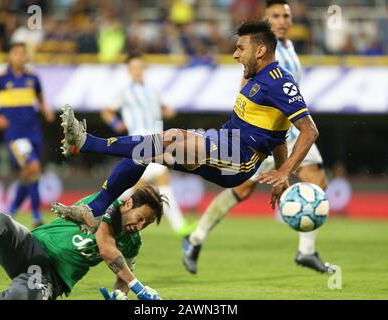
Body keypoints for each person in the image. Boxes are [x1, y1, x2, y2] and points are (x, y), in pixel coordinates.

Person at [55, 20, 319, 240]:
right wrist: (282, 174)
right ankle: (94, 209)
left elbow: (309, 130)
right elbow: (278, 136)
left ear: (260, 51)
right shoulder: (254, 79)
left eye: (240, 48)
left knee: (169, 138)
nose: (236, 54)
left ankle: (87, 142)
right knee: (144, 151)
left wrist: (285, 171)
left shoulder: (279, 81)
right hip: (222, 142)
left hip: (238, 160)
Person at [183, 0, 333, 275]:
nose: (283, 20)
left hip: (288, 131)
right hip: (266, 133)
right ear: (267, 19)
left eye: (286, 15)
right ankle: (194, 239)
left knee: (317, 180)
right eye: (276, 15)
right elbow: (247, 87)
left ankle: (306, 251)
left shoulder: (288, 48)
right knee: (241, 189)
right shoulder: (264, 53)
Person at [0, 185, 166, 300]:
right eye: (140, 218)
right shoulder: (105, 204)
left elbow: (124, 276)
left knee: (26, 295)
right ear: (128, 203)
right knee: (2, 222)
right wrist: (140, 289)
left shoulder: (132, 242)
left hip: (49, 276)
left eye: (146, 224)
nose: (140, 225)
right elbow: (106, 248)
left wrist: (119, 295)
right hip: (30, 246)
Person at [101, 53, 193, 236]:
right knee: (147, 184)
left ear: (144, 69)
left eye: (140, 67)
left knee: (135, 187)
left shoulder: (152, 91)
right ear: (129, 71)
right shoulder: (125, 92)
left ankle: (98, 211)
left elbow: (164, 109)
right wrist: (116, 124)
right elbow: (107, 111)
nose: (137, 71)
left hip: (156, 142)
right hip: (138, 142)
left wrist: (168, 111)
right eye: (134, 68)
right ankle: (98, 211)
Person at [0, 42, 55, 228]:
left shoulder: (33, 77)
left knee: (33, 172)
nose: (20, 57)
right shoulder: (0, 78)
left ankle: (12, 209)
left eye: (23, 53)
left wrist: (45, 108)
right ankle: (36, 216)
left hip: (33, 131)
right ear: (10, 56)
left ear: (26, 56)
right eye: (16, 53)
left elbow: (40, 97)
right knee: (33, 166)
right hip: (15, 134)